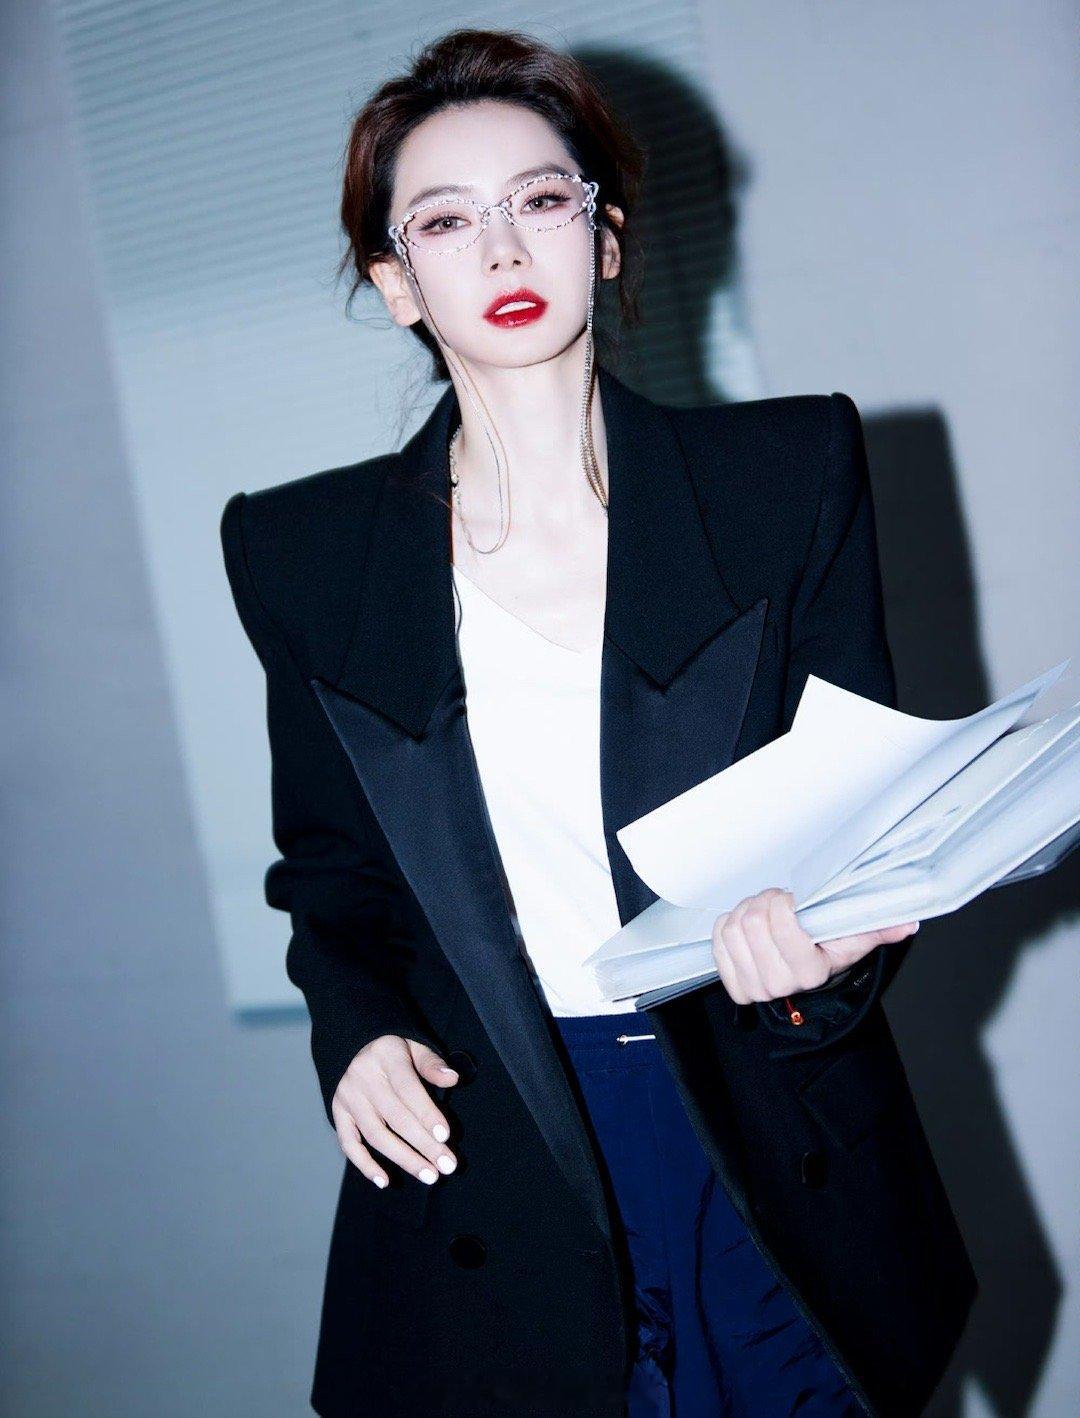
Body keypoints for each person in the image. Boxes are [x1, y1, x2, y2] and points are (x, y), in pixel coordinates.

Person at [220, 26, 976, 1418]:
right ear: (396, 281)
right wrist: (360, 1033)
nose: (504, 248)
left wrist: (813, 963)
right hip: (498, 1140)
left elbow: (865, 823)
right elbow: (331, 877)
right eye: (447, 220)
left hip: (762, 1127)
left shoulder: (787, 475)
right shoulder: (307, 556)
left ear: (606, 238)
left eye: (542, 199)